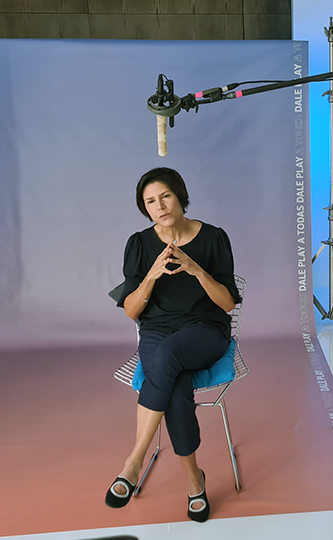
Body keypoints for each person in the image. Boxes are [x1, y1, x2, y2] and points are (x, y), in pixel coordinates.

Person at [105, 167, 242, 522]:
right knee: (176, 382)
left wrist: (196, 269)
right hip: (156, 331)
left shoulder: (213, 238)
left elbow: (227, 304)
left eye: (165, 196)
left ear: (180, 195)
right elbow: (132, 311)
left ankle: (134, 461)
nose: (159, 206)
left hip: (205, 330)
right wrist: (150, 275)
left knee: (168, 357)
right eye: (150, 201)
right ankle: (194, 480)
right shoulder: (138, 244)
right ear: (145, 209)